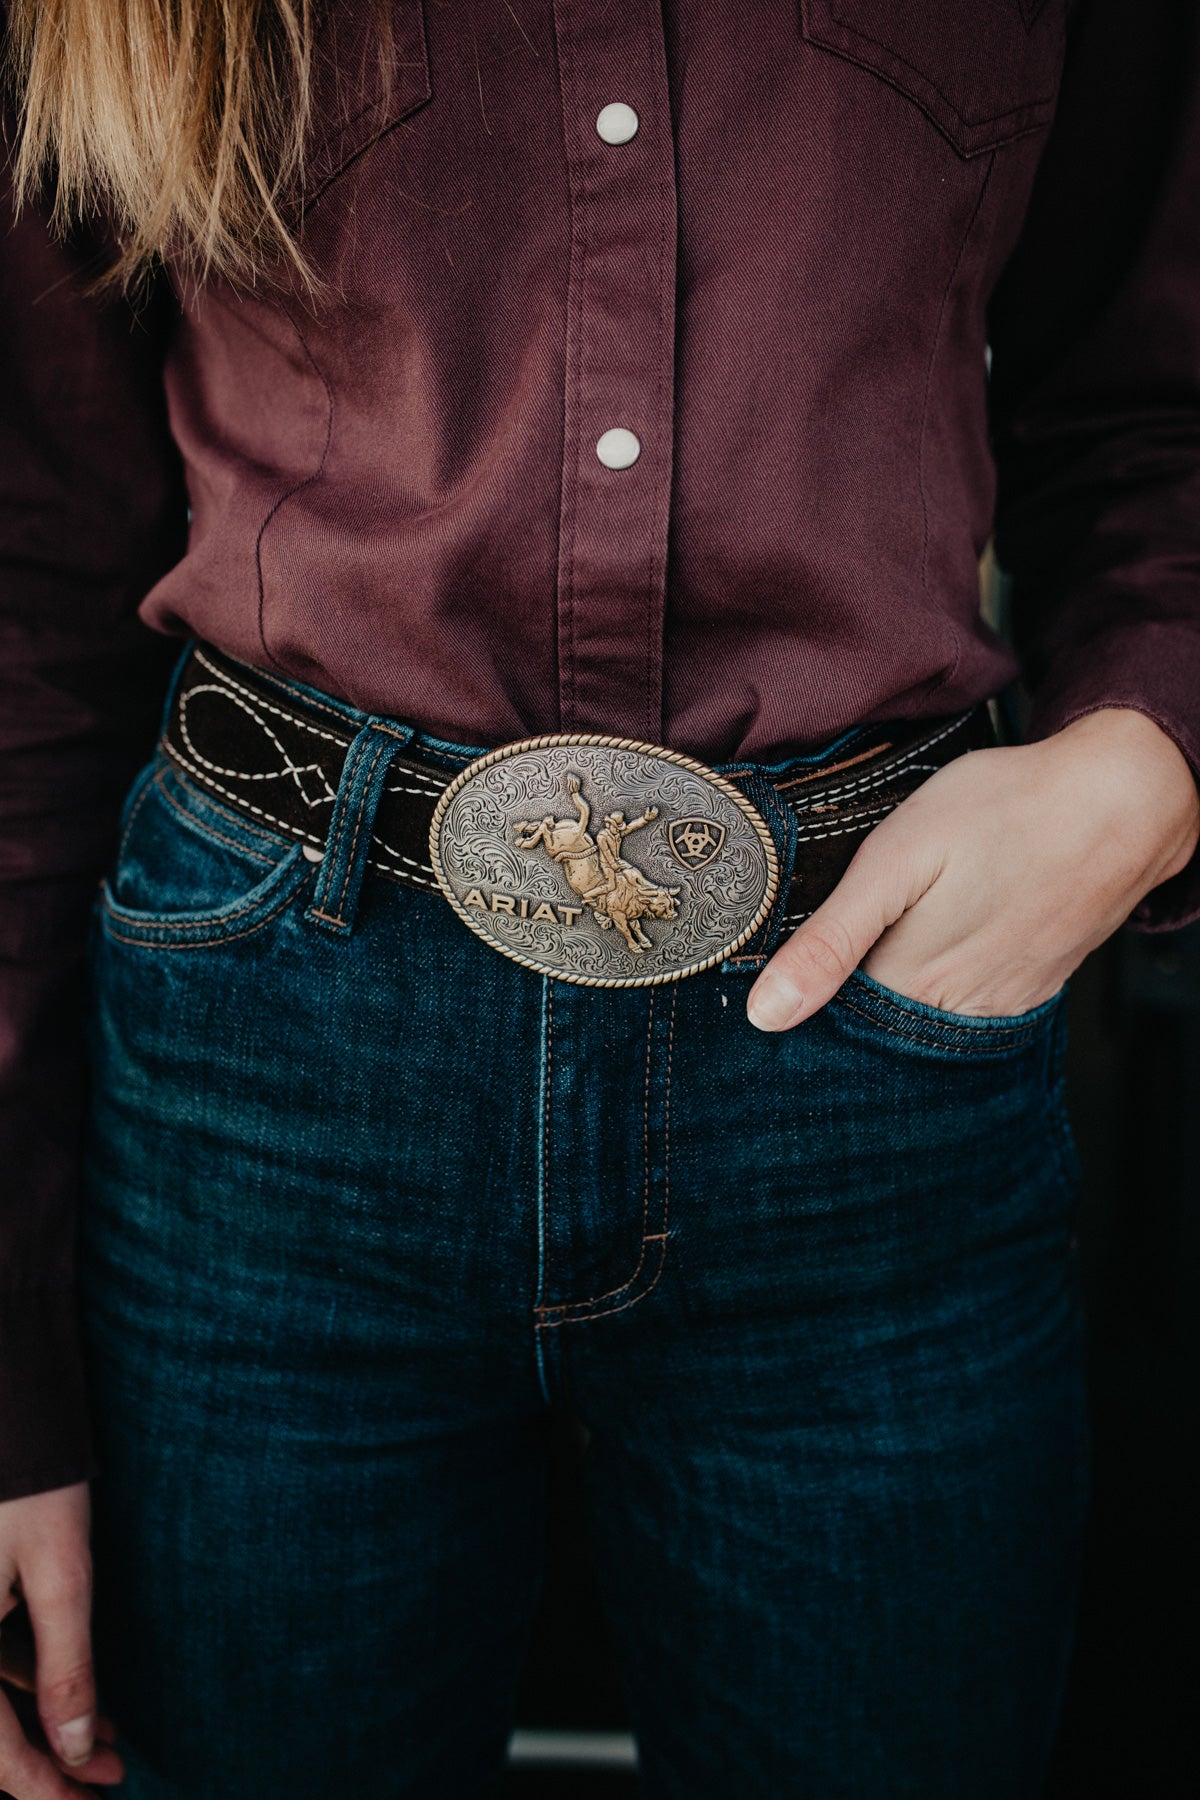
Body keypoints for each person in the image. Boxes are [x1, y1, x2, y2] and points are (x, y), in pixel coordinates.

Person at [1, 1, 1198, 1795]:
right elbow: (24, 566)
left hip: (869, 1041)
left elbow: (1159, 399)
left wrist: (1147, 759)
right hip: (261, 1071)